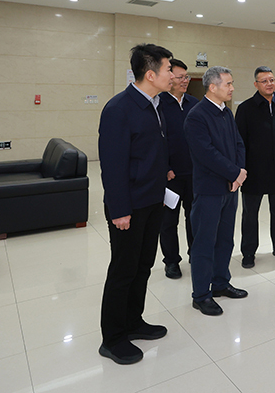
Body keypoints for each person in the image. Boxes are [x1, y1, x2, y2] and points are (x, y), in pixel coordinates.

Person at [98, 43, 174, 365]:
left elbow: (149, 148)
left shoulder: (156, 104)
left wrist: (163, 170)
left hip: (153, 200)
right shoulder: (119, 109)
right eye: (168, 69)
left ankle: (133, 321)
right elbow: (112, 165)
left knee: (143, 266)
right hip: (129, 206)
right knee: (123, 270)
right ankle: (113, 338)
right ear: (150, 74)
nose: (173, 75)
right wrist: (120, 211)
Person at [184, 66, 248, 316]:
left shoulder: (226, 113)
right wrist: (234, 173)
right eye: (228, 84)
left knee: (225, 239)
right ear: (212, 87)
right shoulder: (197, 116)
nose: (232, 88)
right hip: (209, 189)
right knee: (204, 242)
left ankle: (221, 283)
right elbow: (206, 153)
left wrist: (239, 173)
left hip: (231, 188)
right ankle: (201, 295)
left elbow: (239, 144)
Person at [235, 66, 275, 268]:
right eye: (264, 81)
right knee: (250, 215)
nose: (269, 84)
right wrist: (239, 169)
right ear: (256, 84)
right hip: (253, 171)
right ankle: (248, 252)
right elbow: (239, 142)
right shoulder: (246, 108)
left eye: (271, 80)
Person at [158, 58, 198, 279]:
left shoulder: (194, 103)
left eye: (187, 77)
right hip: (170, 176)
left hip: (194, 173)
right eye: (180, 77)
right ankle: (171, 261)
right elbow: (155, 141)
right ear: (170, 78)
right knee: (168, 222)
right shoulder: (158, 104)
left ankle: (196, 254)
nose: (185, 81)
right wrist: (165, 167)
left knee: (194, 217)